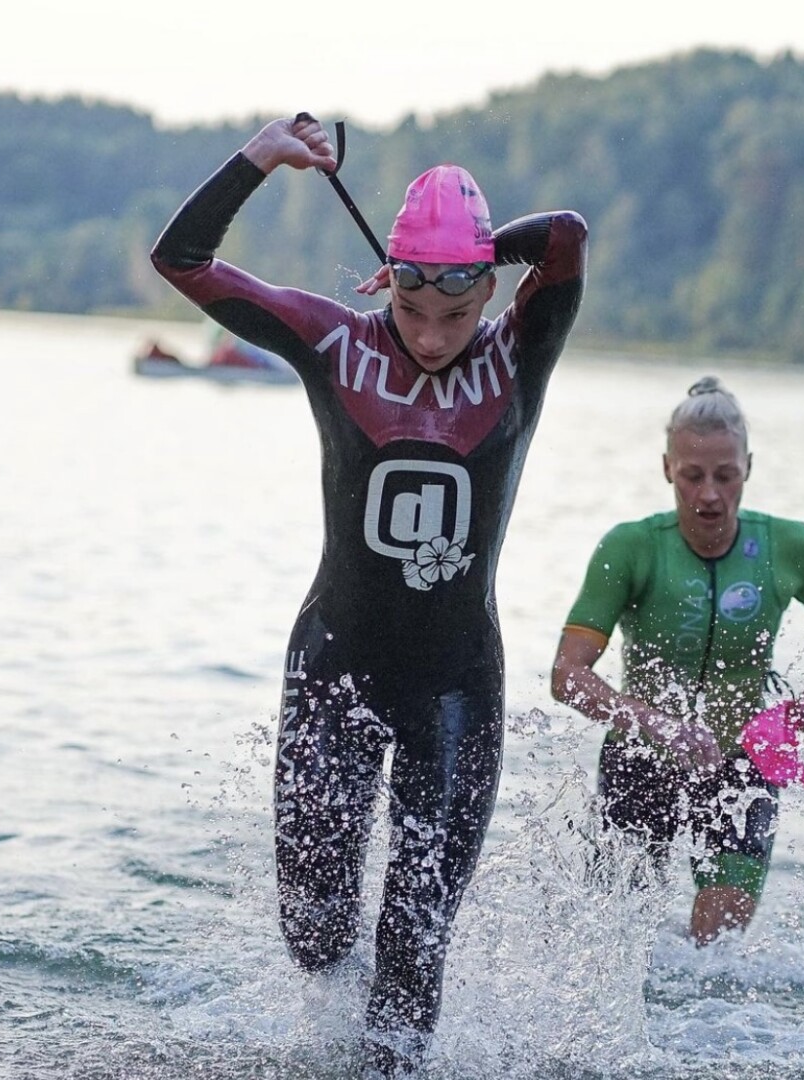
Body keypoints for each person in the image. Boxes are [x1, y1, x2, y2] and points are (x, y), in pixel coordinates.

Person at [150, 113, 587, 1073]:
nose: (432, 336)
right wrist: (263, 156)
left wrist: (469, 256)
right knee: (313, 934)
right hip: (334, 671)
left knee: (414, 949)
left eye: (456, 311)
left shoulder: (520, 353)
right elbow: (180, 258)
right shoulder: (332, 340)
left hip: (456, 687)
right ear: (385, 279)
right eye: (414, 308)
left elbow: (563, 238)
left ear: (485, 293)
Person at [551, 376, 804, 946]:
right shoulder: (631, 548)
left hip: (744, 767)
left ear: (749, 467)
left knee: (715, 957)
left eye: (726, 475)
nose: (710, 495)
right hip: (641, 759)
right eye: (693, 476)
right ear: (668, 468)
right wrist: (658, 724)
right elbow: (567, 677)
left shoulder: (793, 547)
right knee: (609, 948)